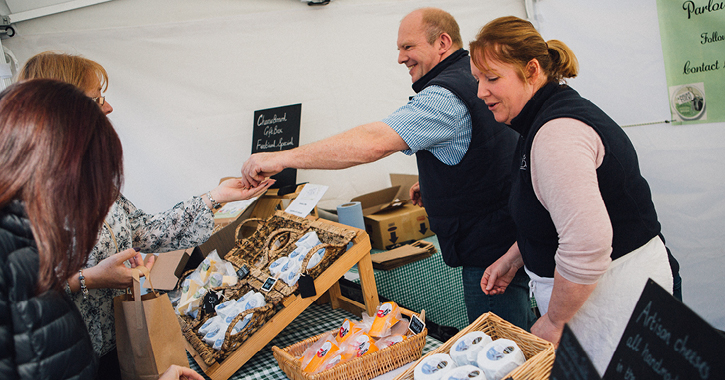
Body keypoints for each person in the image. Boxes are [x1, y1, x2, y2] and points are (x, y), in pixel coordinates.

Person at [240, 8, 535, 330]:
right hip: (512, 229)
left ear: (443, 42)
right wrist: (437, 185)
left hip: (489, 245)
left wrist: (281, 158)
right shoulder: (473, 74)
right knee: (520, 326)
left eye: (408, 47)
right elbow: (488, 146)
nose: (400, 58)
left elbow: (373, 142)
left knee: (503, 342)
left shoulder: (443, 97)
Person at [17, 51, 274, 378]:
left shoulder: (92, 179)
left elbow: (145, 231)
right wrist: (89, 279)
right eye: (97, 100)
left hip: (118, 347)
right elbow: (17, 294)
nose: (108, 108)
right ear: (60, 111)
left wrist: (217, 196)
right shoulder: (20, 194)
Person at [470, 16, 679, 374]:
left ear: (532, 70)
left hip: (613, 301)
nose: (480, 92)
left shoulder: (557, 134)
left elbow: (587, 243)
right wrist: (515, 256)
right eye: (478, 80)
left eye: (492, 78)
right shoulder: (544, 119)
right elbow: (561, 212)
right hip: (600, 297)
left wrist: (554, 321)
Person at [0, 79, 204, 380]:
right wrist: (87, 278)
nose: (94, 200)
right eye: (93, 175)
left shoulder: (24, 251)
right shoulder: (18, 262)